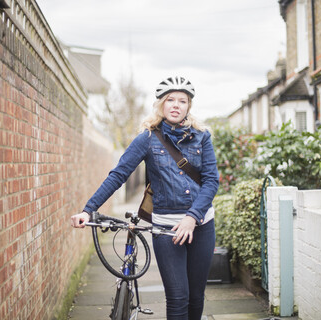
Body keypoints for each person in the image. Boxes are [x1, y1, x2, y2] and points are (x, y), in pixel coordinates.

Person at [71, 76, 219, 320]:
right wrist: (88, 210)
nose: (176, 105)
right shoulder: (148, 139)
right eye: (170, 99)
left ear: (188, 106)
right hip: (166, 228)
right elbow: (118, 175)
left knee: (196, 296)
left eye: (182, 101)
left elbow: (212, 181)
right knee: (178, 297)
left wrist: (193, 217)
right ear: (160, 104)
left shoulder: (202, 137)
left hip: (201, 225)